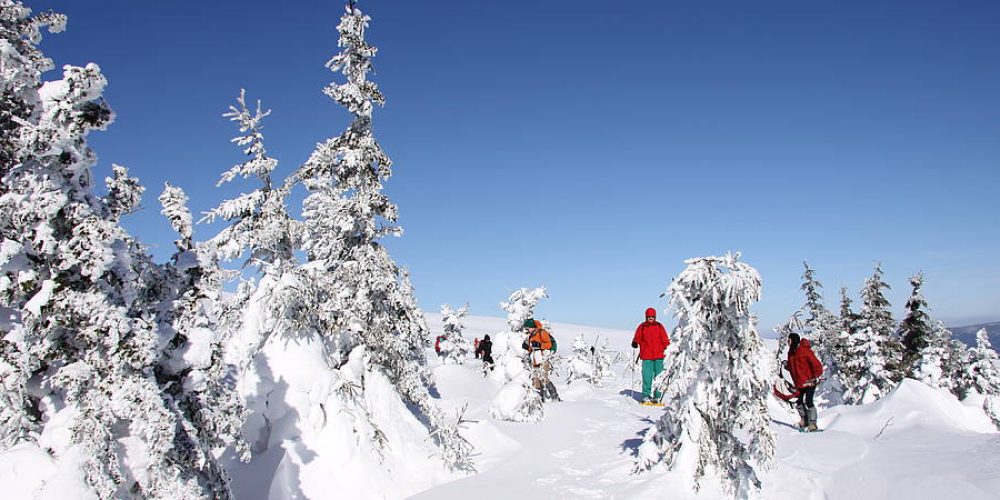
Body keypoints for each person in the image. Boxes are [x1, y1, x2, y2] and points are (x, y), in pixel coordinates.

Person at [785, 333, 824, 432]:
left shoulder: (805, 351)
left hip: (809, 381)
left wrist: (816, 376)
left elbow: (817, 365)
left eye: (789, 341)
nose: (788, 343)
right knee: (798, 401)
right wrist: (787, 366)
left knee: (808, 401)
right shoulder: (791, 352)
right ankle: (805, 421)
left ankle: (813, 424)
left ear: (794, 341)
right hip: (799, 382)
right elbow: (792, 366)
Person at [631, 307, 670, 404]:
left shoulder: (659, 326)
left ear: (655, 316)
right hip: (647, 356)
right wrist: (635, 342)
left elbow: (665, 339)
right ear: (646, 317)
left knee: (658, 377)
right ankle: (646, 396)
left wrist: (669, 348)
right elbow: (637, 337)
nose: (651, 318)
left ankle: (657, 397)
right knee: (647, 377)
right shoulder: (642, 327)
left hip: (659, 356)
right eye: (649, 317)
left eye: (652, 316)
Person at [522, 318, 560, 401]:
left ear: (533, 327)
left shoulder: (542, 332)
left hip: (543, 359)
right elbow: (533, 348)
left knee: (544, 379)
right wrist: (527, 347)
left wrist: (539, 344)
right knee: (536, 381)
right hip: (535, 361)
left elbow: (548, 344)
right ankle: (540, 400)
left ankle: (555, 397)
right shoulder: (531, 336)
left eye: (529, 328)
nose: (528, 330)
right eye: (527, 329)